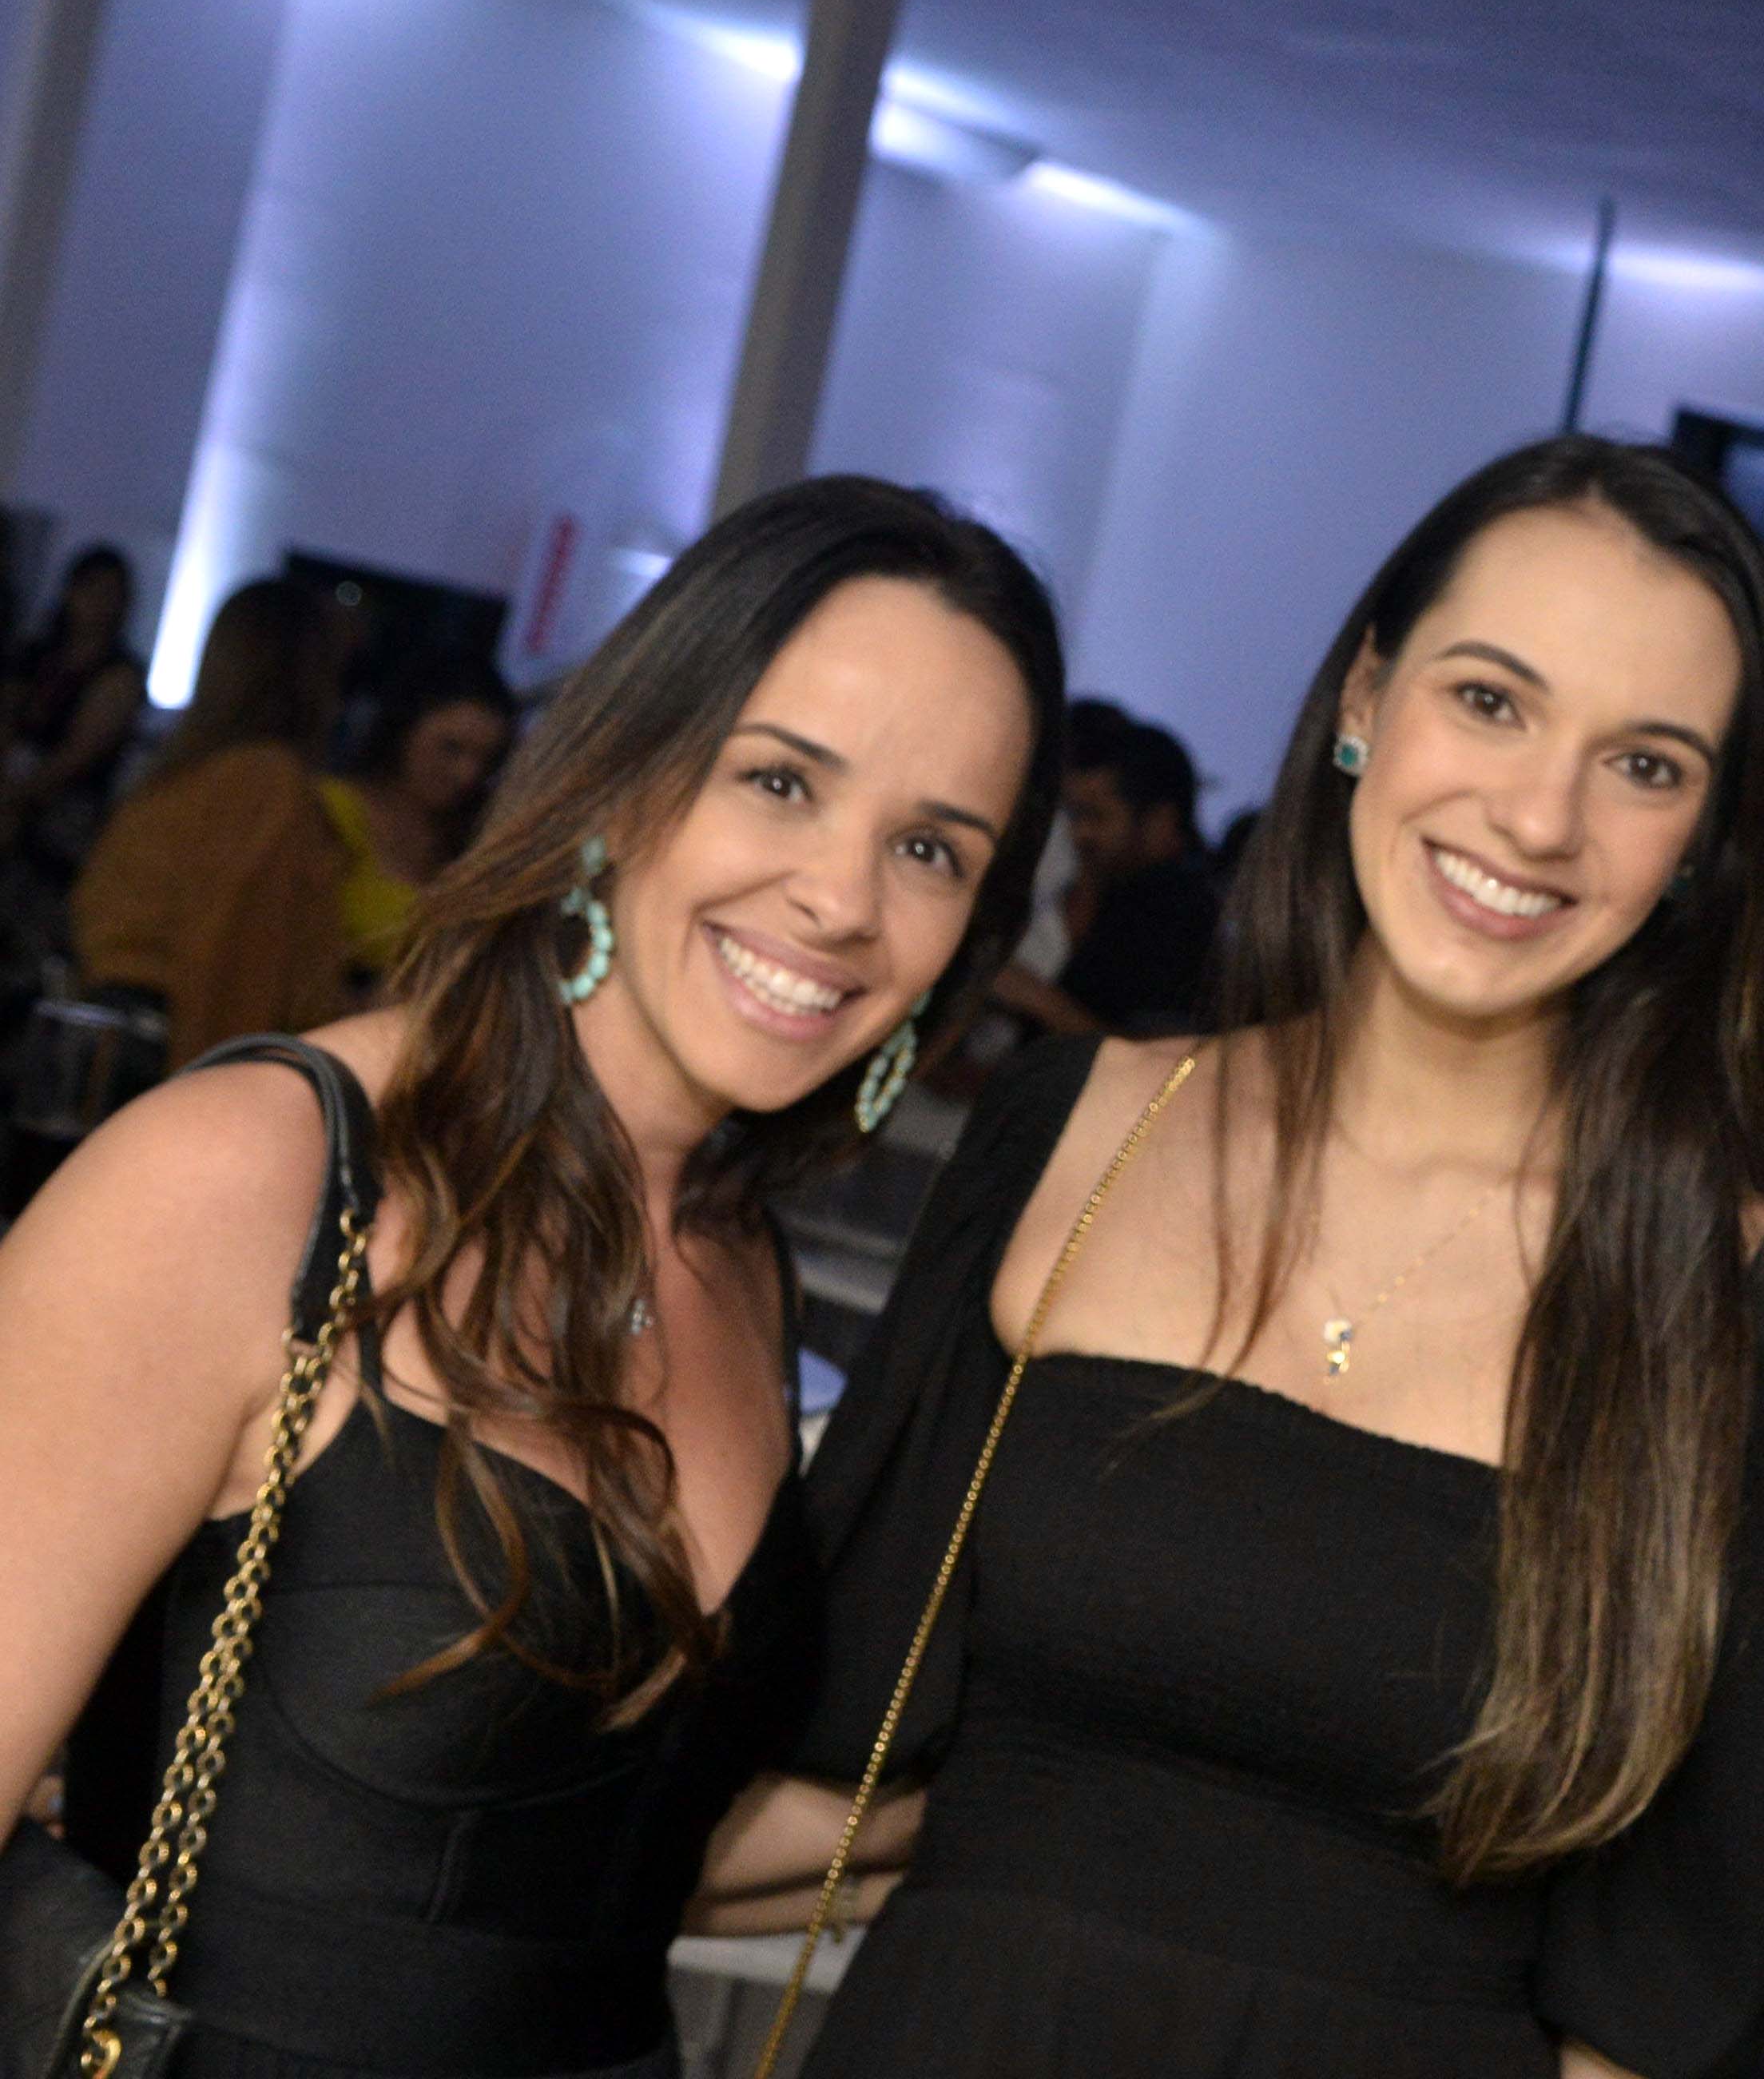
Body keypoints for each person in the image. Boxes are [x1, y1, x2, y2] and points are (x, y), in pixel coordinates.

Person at [722, 435, 1764, 2079]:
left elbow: (1651, 2009)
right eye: (1491, 700)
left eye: (1646, 765)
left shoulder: (1749, 1309)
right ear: (1363, 699)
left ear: (1704, 840)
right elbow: (837, 1758)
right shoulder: (1078, 1125)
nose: (1539, 815)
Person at [0, 475, 1063, 2078]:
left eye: (930, 846)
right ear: (622, 774)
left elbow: (605, 1847)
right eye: (779, 781)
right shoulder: (256, 1178)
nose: (842, 902)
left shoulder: (740, 1267)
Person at [68, 577, 355, 1063]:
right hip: (169, 1057)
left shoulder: (184, 775)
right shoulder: (266, 782)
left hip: (110, 1036)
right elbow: (234, 966)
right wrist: (213, 1100)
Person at [996, 713, 1222, 1036]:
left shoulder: (1184, 919)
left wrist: (1030, 995)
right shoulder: (1111, 889)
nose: (1080, 833)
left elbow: (1156, 1058)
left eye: (1095, 816)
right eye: (1073, 814)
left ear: (1159, 822)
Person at [320, 654, 518, 986]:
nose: (468, 774)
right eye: (450, 748)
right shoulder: (332, 812)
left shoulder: (476, 845)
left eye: (488, 759)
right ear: (402, 730)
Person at [0, 543, 147, 888]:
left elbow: (76, 758)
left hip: (64, 812)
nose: (102, 604)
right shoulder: (35, 656)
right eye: (94, 589)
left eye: (113, 594)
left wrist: (15, 795)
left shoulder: (119, 677)